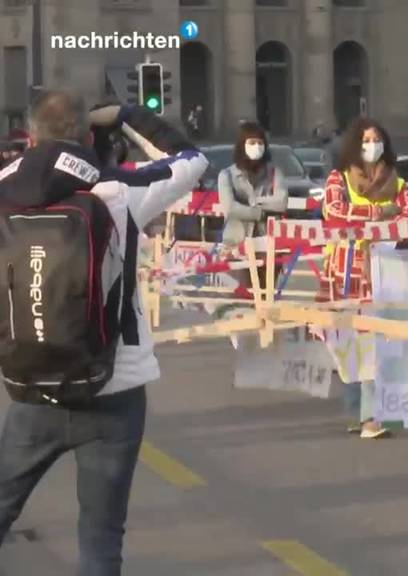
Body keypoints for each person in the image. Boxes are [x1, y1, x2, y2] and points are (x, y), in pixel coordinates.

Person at [0, 90, 208, 574]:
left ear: (31, 138)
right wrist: (133, 116)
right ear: (89, 137)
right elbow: (191, 161)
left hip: (32, 387)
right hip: (113, 389)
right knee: (100, 535)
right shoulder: (117, 191)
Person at [319, 117, 408, 439]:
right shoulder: (339, 178)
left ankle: (370, 417)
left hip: (382, 270)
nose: (371, 146)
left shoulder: (396, 182)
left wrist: (389, 219)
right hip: (344, 270)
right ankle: (354, 412)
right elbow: (334, 213)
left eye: (376, 139)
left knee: (373, 343)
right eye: (365, 140)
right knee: (347, 344)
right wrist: (379, 214)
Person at [217, 121, 287, 300]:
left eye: (260, 143)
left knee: (266, 298)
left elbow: (281, 202)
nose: (257, 147)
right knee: (243, 298)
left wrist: (253, 202)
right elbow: (230, 209)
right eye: (252, 143)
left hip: (269, 245)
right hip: (237, 244)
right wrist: (260, 212)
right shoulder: (226, 175)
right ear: (242, 145)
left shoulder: (274, 173)